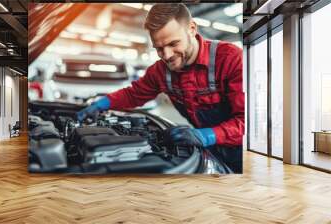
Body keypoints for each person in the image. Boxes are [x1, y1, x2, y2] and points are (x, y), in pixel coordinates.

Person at [76, 3, 244, 173]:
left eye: (173, 44)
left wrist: (206, 135)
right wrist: (102, 103)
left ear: (192, 29)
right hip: (210, 150)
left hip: (242, 151)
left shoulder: (230, 59)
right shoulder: (160, 71)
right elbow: (133, 95)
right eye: (159, 48)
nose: (167, 55)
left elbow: (249, 123)